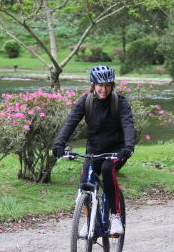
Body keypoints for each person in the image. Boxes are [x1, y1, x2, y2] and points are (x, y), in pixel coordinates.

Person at [52, 65, 135, 235]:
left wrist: (128, 147)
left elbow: (128, 124)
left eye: (107, 85)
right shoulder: (85, 101)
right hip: (94, 151)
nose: (103, 89)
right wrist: (58, 144)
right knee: (85, 181)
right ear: (93, 85)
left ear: (112, 85)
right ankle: (90, 220)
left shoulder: (120, 103)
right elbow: (70, 123)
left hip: (116, 151)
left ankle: (115, 216)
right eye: (100, 85)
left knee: (107, 169)